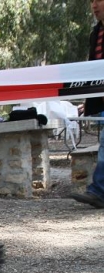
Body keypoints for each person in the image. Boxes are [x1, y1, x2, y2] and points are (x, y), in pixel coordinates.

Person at [71, 0, 104, 208]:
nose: (94, 5)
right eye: (91, 1)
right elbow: (93, 68)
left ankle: (98, 190)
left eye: (98, 0)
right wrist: (89, 97)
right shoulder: (96, 33)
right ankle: (99, 190)